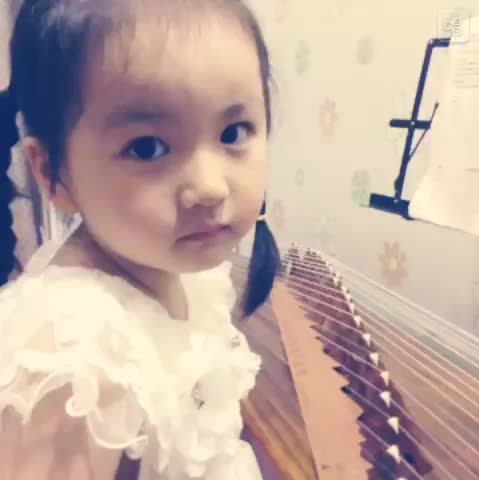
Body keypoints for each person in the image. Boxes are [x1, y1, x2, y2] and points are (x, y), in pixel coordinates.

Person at [0, 0, 281, 478]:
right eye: (147, 147)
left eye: (234, 132)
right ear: (51, 173)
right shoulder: (75, 363)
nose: (210, 187)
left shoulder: (179, 268)